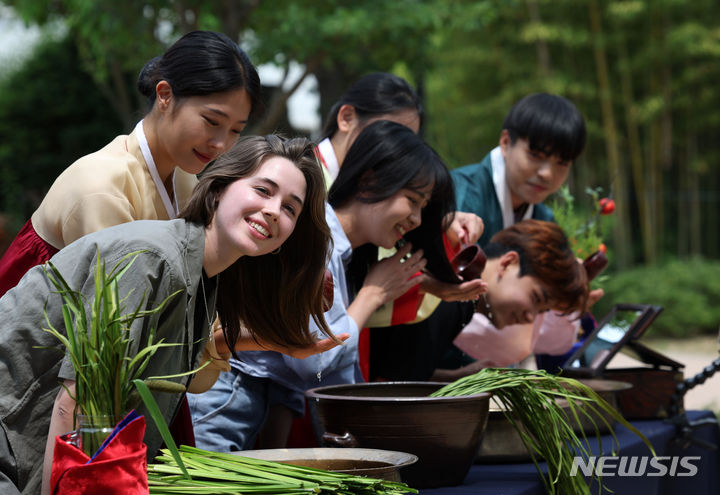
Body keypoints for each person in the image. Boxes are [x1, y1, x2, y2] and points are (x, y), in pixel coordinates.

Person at [0, 134, 345, 495]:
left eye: (290, 208)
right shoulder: (153, 259)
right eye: (263, 190)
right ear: (218, 189)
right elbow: (79, 401)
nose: (274, 210)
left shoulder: (203, 277)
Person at [189, 120, 464, 451]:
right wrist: (372, 296)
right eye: (413, 199)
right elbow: (310, 360)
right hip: (223, 396)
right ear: (370, 180)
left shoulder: (344, 250)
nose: (417, 219)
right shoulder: (321, 243)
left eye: (424, 207)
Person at [0, 30, 262, 298]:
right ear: (165, 95)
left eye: (235, 130)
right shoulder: (101, 186)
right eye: (212, 121)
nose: (220, 143)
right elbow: (121, 318)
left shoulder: (182, 177)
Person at [370, 219, 589, 382]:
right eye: (536, 298)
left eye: (542, 311)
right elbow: (387, 385)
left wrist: (458, 377)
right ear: (507, 263)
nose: (530, 317)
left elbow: (399, 371)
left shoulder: (462, 301)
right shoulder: (449, 291)